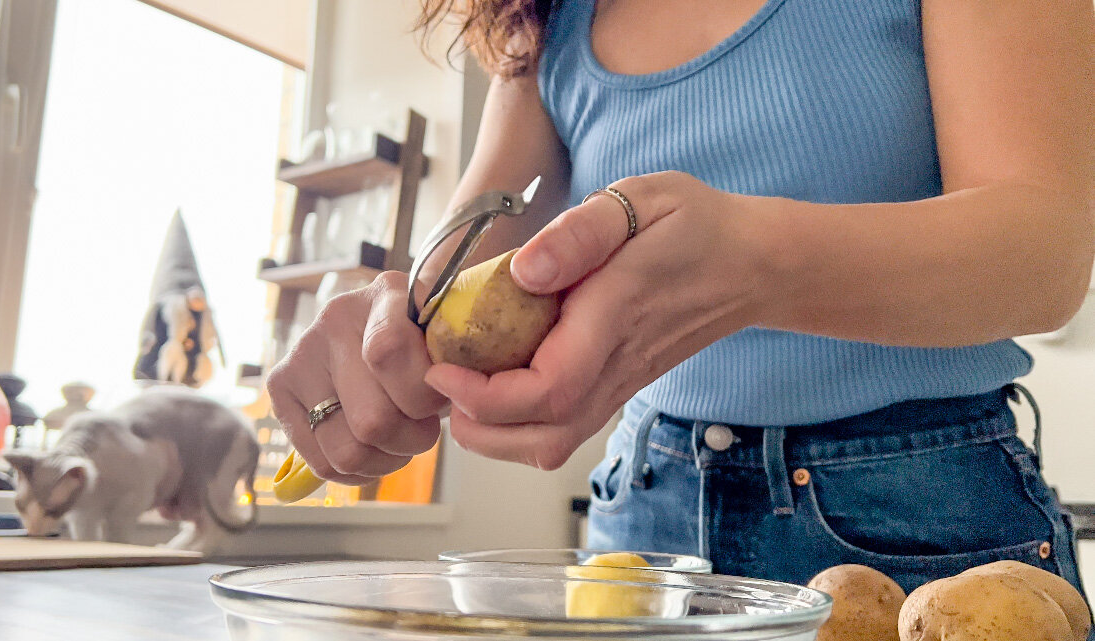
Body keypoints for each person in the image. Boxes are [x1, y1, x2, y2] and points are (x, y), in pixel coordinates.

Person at [267, 0, 1094, 600]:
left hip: (921, 524)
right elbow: (463, 259)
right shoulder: (542, 20)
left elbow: (1048, 255)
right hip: (643, 514)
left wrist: (754, 263)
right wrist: (388, 334)